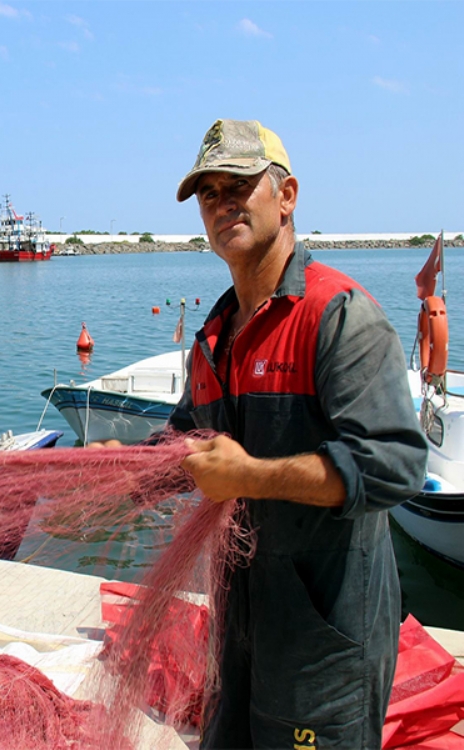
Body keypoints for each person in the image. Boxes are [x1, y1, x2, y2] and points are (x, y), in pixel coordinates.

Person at [169, 119, 427, 749]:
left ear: (286, 197)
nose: (223, 202)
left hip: (324, 652)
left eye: (241, 185)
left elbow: (394, 465)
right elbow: (181, 442)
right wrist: (115, 467)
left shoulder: (337, 315)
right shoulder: (214, 336)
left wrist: (248, 476)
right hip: (238, 640)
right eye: (209, 192)